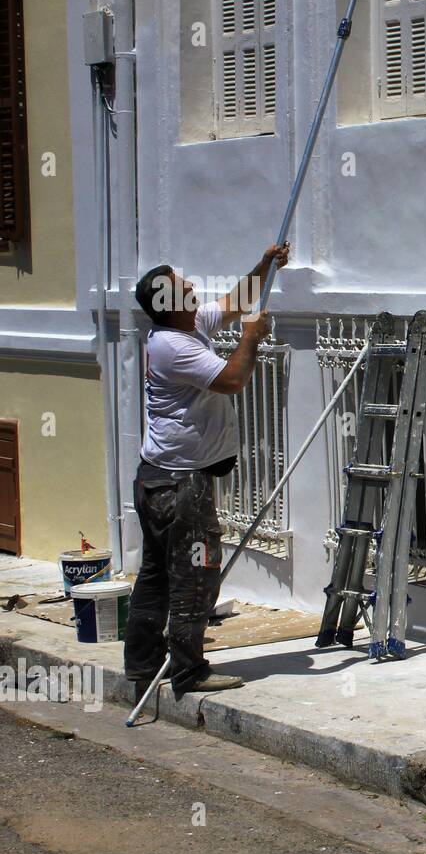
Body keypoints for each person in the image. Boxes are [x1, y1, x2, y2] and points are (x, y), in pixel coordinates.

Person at [124, 243, 290, 700]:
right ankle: (188, 671)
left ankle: (141, 666)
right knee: (195, 577)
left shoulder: (186, 324)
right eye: (183, 287)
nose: (193, 287)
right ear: (166, 303)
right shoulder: (173, 346)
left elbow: (237, 303)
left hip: (159, 479)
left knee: (156, 576)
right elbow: (233, 380)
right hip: (179, 488)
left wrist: (264, 265)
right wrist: (251, 340)